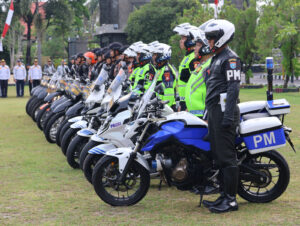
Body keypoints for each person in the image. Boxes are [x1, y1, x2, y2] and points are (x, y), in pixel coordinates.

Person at [202, 19, 240, 213]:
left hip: (225, 113)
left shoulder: (230, 59)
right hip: (216, 113)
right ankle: (224, 196)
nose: (209, 42)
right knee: (218, 157)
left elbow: (233, 90)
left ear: (221, 37)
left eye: (211, 38)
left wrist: (227, 118)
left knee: (227, 157)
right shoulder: (217, 57)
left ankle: (231, 201)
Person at [185, 25, 213, 118]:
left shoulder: (210, 66)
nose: (195, 49)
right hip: (194, 115)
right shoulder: (202, 65)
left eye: (197, 45)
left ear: (206, 47)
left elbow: (213, 96)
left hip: (203, 116)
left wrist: (208, 116)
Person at [173, 23, 198, 111]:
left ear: (191, 39)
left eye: (183, 38)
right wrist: (181, 103)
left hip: (190, 103)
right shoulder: (187, 57)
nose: (181, 41)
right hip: (184, 102)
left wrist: (188, 106)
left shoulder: (193, 59)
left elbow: (195, 84)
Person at [153, 43, 178, 110]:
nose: (153, 57)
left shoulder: (166, 71)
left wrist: (164, 107)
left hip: (167, 107)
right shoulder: (160, 69)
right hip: (160, 105)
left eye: (155, 54)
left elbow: (169, 92)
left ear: (162, 55)